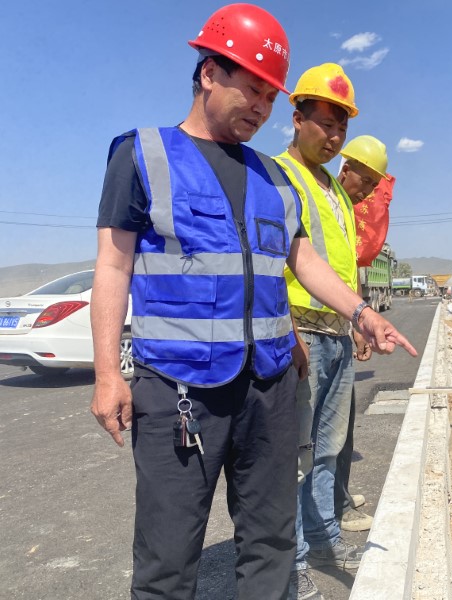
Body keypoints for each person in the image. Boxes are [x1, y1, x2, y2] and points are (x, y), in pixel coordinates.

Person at [89, 7, 417, 600]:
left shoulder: (274, 177)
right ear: (208, 72)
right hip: (178, 388)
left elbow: (304, 260)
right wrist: (108, 374)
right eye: (252, 89)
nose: (262, 108)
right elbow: (112, 266)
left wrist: (362, 313)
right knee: (167, 558)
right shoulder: (143, 155)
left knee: (270, 544)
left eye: (270, 96)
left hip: (267, 386)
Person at [274, 63, 377, 598]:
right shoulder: (277, 175)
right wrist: (286, 328)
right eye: (325, 124)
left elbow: (340, 264)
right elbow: (269, 260)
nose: (334, 137)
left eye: (341, 128)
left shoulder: (335, 188)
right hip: (301, 335)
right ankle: (290, 561)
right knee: (295, 454)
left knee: (328, 449)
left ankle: (324, 539)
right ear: (297, 119)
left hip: (336, 334)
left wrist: (355, 320)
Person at [333, 135, 393, 533]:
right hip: (315, 329)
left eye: (374, 185)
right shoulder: (328, 202)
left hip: (339, 327)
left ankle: (337, 494)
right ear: (346, 169)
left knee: (342, 426)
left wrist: (357, 328)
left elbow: (348, 272)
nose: (369, 191)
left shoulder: (347, 209)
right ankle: (332, 507)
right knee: (324, 435)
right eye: (365, 181)